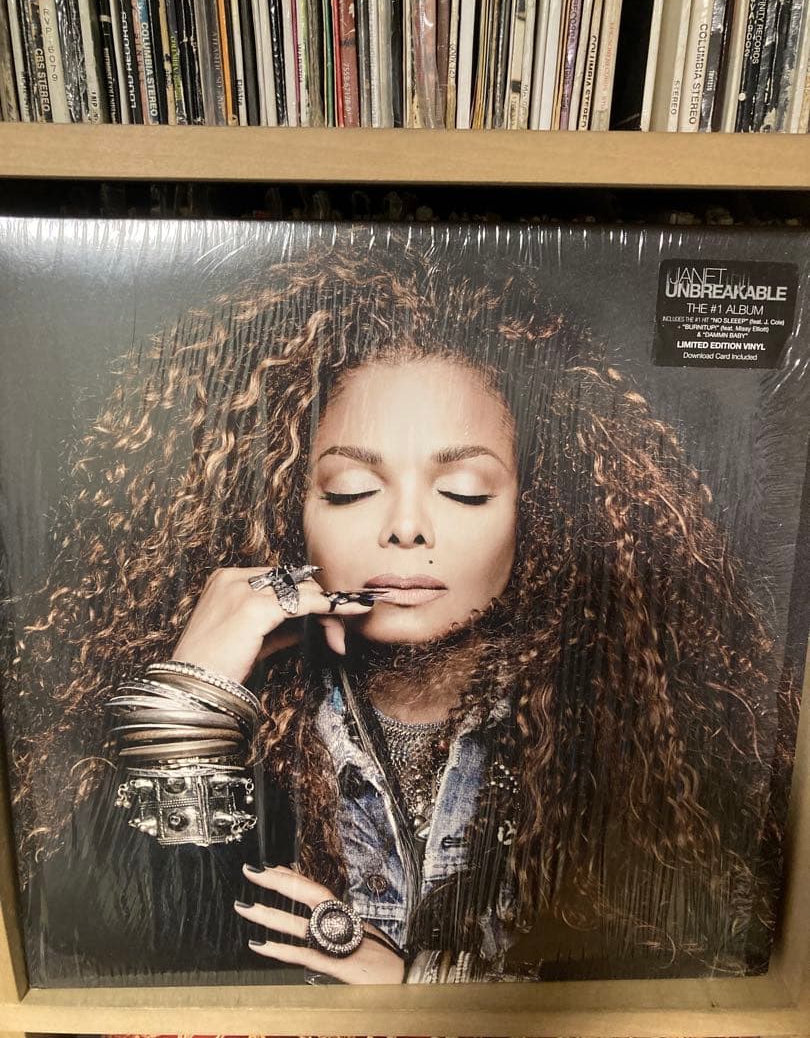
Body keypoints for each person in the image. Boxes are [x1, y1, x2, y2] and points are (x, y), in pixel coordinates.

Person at [5, 241, 794, 985]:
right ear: (289, 509)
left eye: (465, 490)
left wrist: (418, 987)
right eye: (351, 489)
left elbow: (717, 978)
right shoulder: (260, 725)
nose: (407, 527)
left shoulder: (632, 727)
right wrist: (192, 696)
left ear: (538, 509)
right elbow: (95, 947)